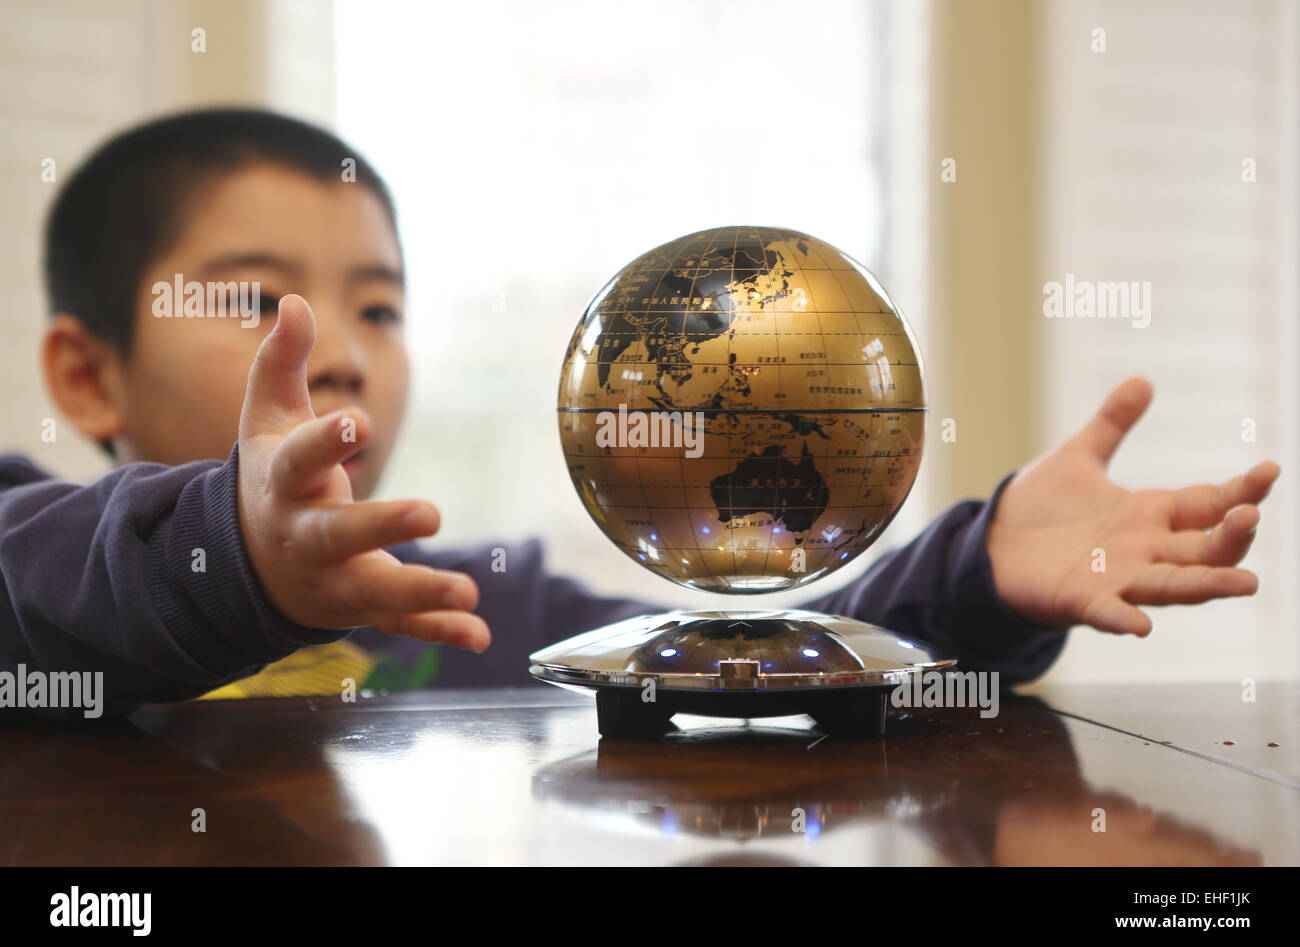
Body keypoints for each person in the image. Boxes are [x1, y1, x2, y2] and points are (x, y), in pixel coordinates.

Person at [0, 109, 1280, 719]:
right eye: (263, 301)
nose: (336, 353)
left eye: (380, 308)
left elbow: (744, 651)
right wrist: (230, 550)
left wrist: (973, 570)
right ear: (84, 372)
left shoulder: (479, 608)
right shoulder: (28, 570)